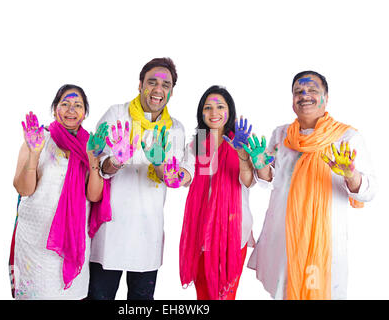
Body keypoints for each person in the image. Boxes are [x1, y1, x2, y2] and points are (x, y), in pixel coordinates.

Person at [246, 71, 377, 300]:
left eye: (312, 90)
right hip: (283, 238)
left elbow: (369, 190)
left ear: (326, 97)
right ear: (292, 100)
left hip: (323, 243)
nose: (304, 96)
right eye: (298, 92)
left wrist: (350, 174)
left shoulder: (346, 137)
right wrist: (259, 164)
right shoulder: (282, 135)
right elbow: (268, 179)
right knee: (285, 292)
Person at [87, 57, 186, 300]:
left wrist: (160, 163)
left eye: (166, 85)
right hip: (109, 232)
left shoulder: (175, 129)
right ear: (140, 84)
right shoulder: (116, 114)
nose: (158, 90)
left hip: (147, 233)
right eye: (152, 82)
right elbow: (96, 166)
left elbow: (171, 179)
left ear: (172, 92)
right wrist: (116, 161)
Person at [11, 84, 105, 299]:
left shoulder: (91, 144)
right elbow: (23, 189)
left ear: (85, 113)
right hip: (35, 241)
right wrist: (34, 153)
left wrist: (94, 160)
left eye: (77, 105)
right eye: (65, 104)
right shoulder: (37, 138)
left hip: (73, 240)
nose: (71, 110)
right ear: (55, 109)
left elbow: (94, 196)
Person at [178, 85, 255, 300]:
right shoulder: (199, 144)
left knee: (226, 294)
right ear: (201, 113)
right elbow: (187, 172)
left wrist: (242, 155)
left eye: (220, 106)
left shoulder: (241, 141)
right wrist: (173, 174)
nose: (214, 113)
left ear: (229, 111)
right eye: (208, 107)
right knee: (203, 293)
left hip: (234, 231)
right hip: (202, 230)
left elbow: (247, 181)